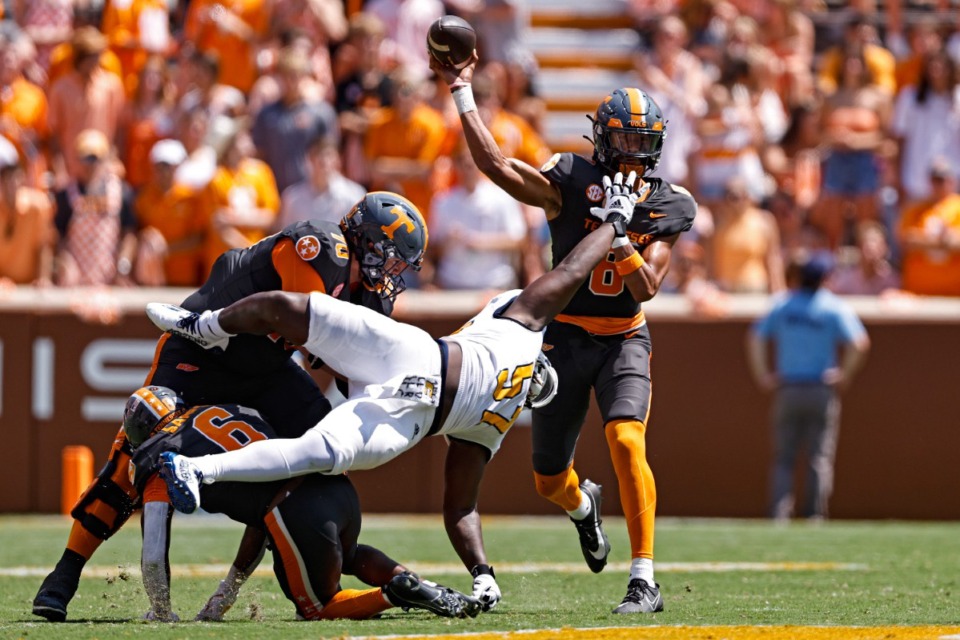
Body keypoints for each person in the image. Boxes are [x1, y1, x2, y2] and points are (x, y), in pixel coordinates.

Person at [147, 178, 640, 613]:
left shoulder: (496, 423)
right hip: (412, 357)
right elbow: (573, 269)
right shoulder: (522, 325)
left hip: (411, 420)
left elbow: (460, 507)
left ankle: (198, 470)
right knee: (291, 310)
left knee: (320, 453)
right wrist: (614, 225)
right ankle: (201, 324)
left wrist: (482, 573)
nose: (536, 385)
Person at [31, 190, 427, 622]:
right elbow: (306, 327)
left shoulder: (369, 296)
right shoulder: (320, 247)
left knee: (323, 448)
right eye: (391, 258)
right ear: (366, 239)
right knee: (133, 453)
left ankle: (253, 582)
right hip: (202, 353)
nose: (394, 272)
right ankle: (64, 573)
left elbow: (349, 371)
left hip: (264, 364)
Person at [430, 50, 698, 613]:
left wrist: (619, 234)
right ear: (602, 140)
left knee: (626, 439)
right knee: (549, 480)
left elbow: (648, 287)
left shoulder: (669, 202)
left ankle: (644, 578)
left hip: (624, 337)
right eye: (622, 142)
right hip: (561, 339)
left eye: (640, 142)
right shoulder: (571, 179)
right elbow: (498, 167)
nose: (632, 154)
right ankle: (584, 508)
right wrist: (462, 94)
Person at [122, 386, 480, 621]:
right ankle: (418, 582)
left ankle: (394, 593)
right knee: (348, 555)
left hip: (294, 510)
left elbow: (153, 552)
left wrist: (161, 610)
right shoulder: (224, 412)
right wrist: (223, 595)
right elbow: (261, 520)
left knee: (321, 607)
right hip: (335, 487)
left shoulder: (160, 456)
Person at [746, 251, 871, 521]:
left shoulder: (783, 304)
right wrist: (844, 374)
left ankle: (779, 514)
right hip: (820, 389)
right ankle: (814, 514)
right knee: (819, 456)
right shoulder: (833, 306)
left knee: (784, 455)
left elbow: (756, 337)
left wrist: (763, 374)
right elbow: (860, 343)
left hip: (789, 388)